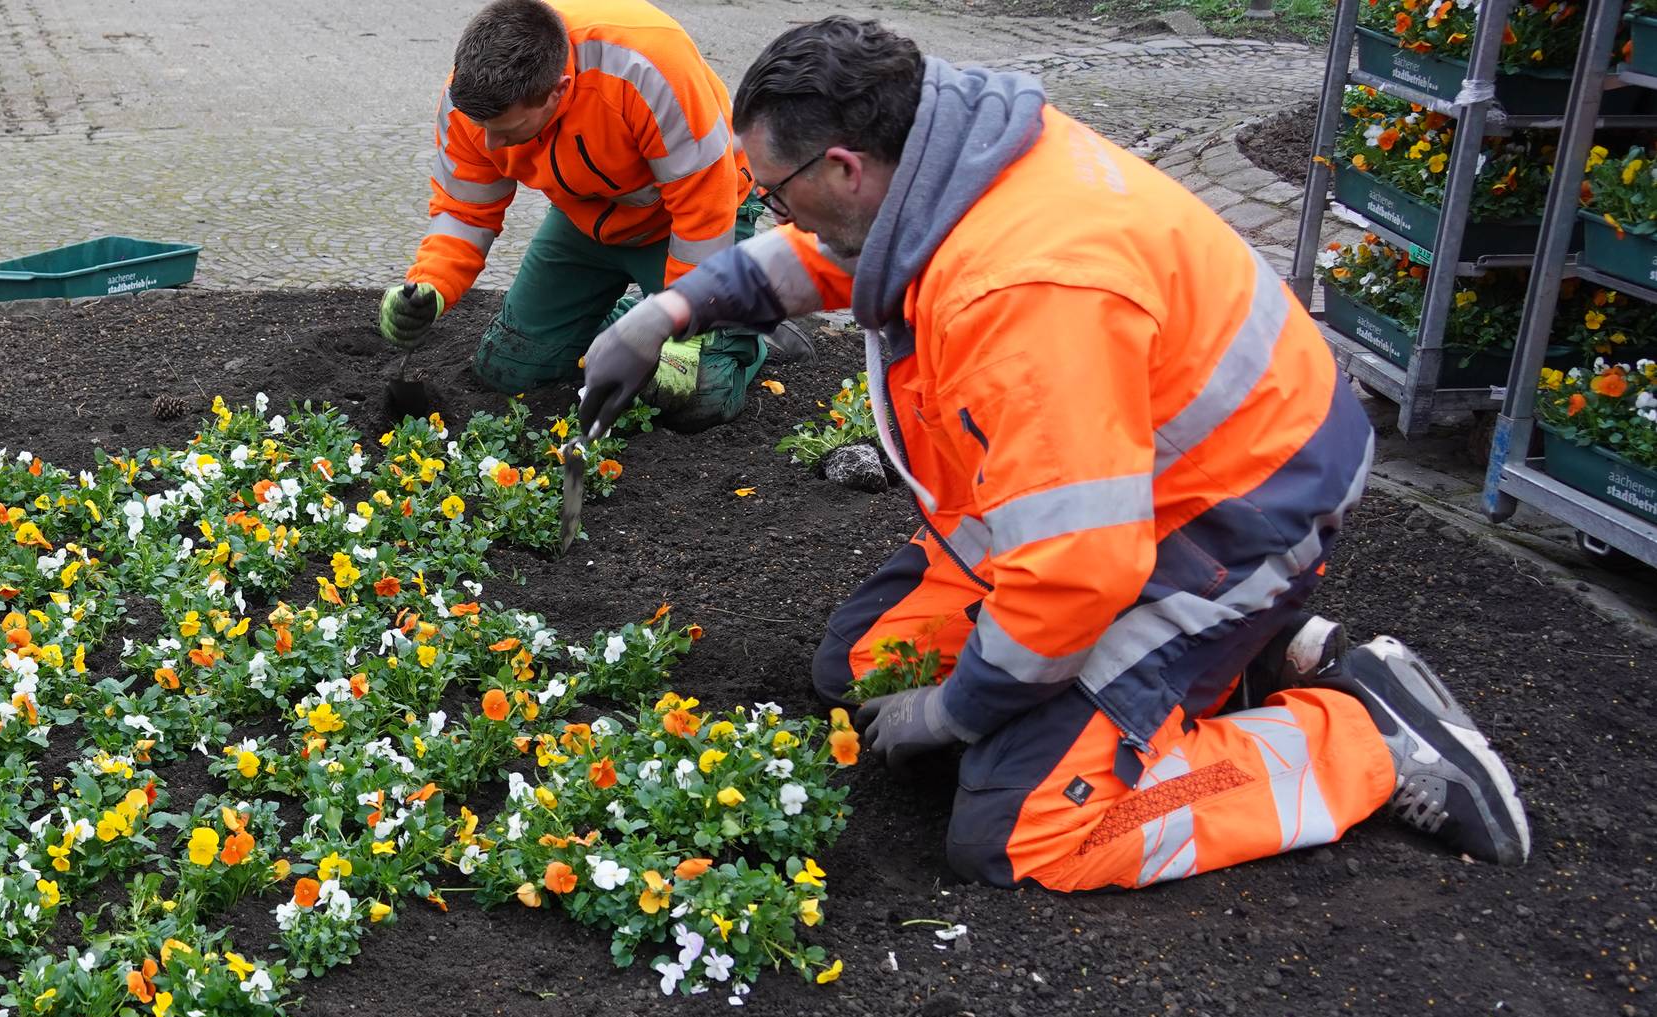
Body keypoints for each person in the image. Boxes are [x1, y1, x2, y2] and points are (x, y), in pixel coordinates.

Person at [580, 16, 1530, 889]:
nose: (773, 210)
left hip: (1231, 512)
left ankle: (1363, 736)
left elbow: (1077, 569)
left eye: (775, 191)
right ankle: (1233, 655)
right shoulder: (950, 162)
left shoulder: (1024, 294)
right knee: (866, 668)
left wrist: (956, 712)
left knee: (1024, 826)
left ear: (844, 167)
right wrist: (673, 311)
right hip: (1130, 488)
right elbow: (837, 255)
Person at [379, 0, 798, 430]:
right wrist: (430, 286)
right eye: (484, 129)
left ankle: (744, 332)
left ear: (558, 91)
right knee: (509, 371)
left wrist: (683, 334)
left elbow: (703, 207)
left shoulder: (647, 68)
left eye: (505, 131)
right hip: (586, 221)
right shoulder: (471, 98)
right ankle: (639, 319)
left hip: (694, 223)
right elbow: (464, 211)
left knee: (697, 398)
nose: (490, 145)